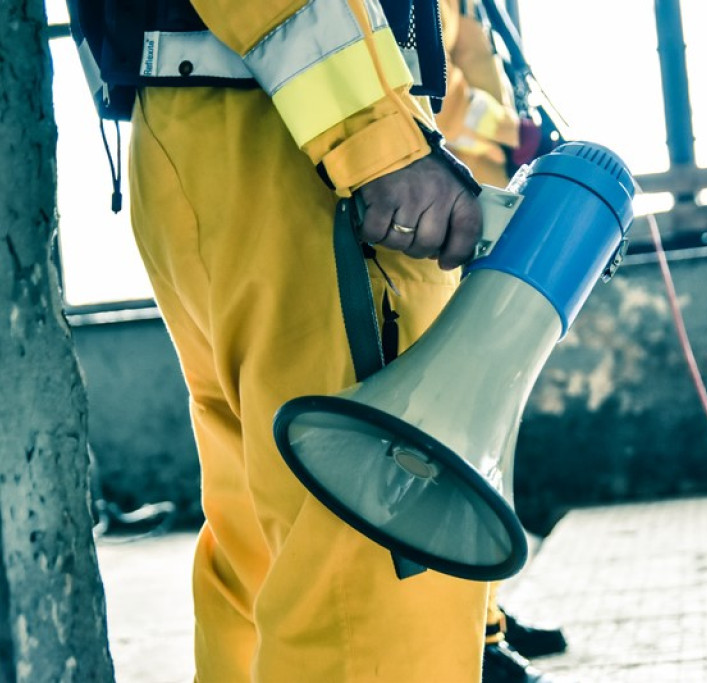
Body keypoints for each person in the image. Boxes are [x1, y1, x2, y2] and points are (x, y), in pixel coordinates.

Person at [127, 0, 501, 680]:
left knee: (265, 554)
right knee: (370, 560)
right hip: (313, 156)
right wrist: (377, 138)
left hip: (210, 125)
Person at [434, 2, 568, 681]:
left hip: (485, 206)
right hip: (445, 218)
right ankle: (473, 639)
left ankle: (485, 616)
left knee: (490, 421)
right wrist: (512, 128)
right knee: (462, 424)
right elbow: (429, 86)